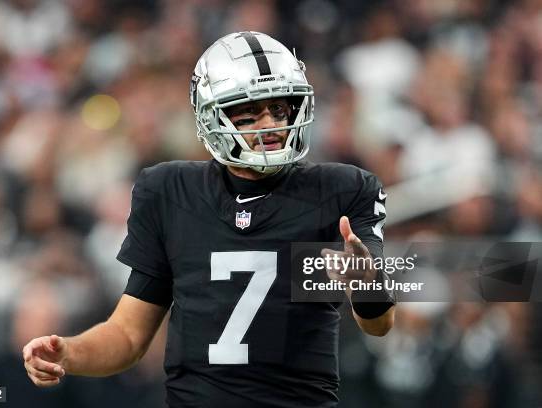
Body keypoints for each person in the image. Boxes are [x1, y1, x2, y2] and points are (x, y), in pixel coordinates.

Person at [23, 31, 396, 407]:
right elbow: (128, 336)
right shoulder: (170, 191)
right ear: (211, 116)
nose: (269, 125)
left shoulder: (341, 190)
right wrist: (69, 353)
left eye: (280, 109)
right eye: (249, 114)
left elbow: (379, 324)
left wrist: (366, 284)